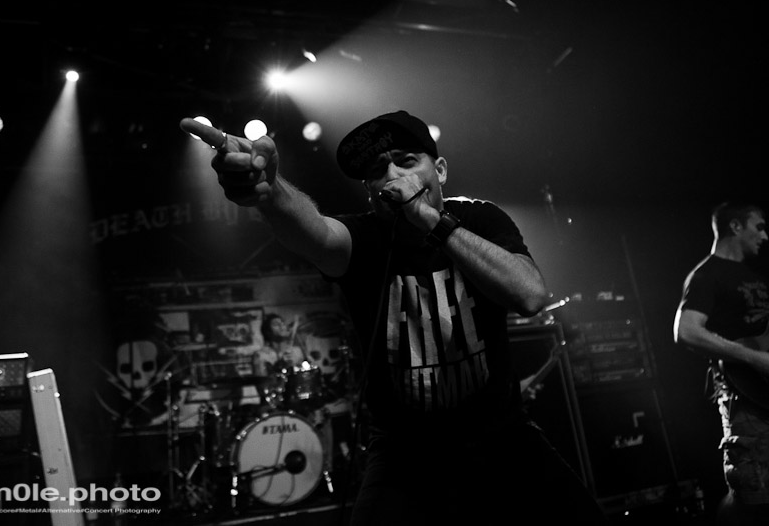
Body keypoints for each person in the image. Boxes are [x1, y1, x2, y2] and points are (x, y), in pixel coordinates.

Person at [179, 110, 606, 524]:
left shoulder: (479, 219)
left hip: (502, 435)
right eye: (378, 171)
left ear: (439, 170)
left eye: (406, 161)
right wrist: (271, 191)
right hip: (404, 456)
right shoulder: (363, 237)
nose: (393, 176)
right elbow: (317, 231)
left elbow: (530, 295)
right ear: (371, 190)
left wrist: (432, 221)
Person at [673, 200, 769, 525]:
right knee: (754, 501)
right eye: (759, 227)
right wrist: (755, 358)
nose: (765, 236)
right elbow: (686, 331)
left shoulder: (755, 274)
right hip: (745, 400)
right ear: (736, 226)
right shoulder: (706, 275)